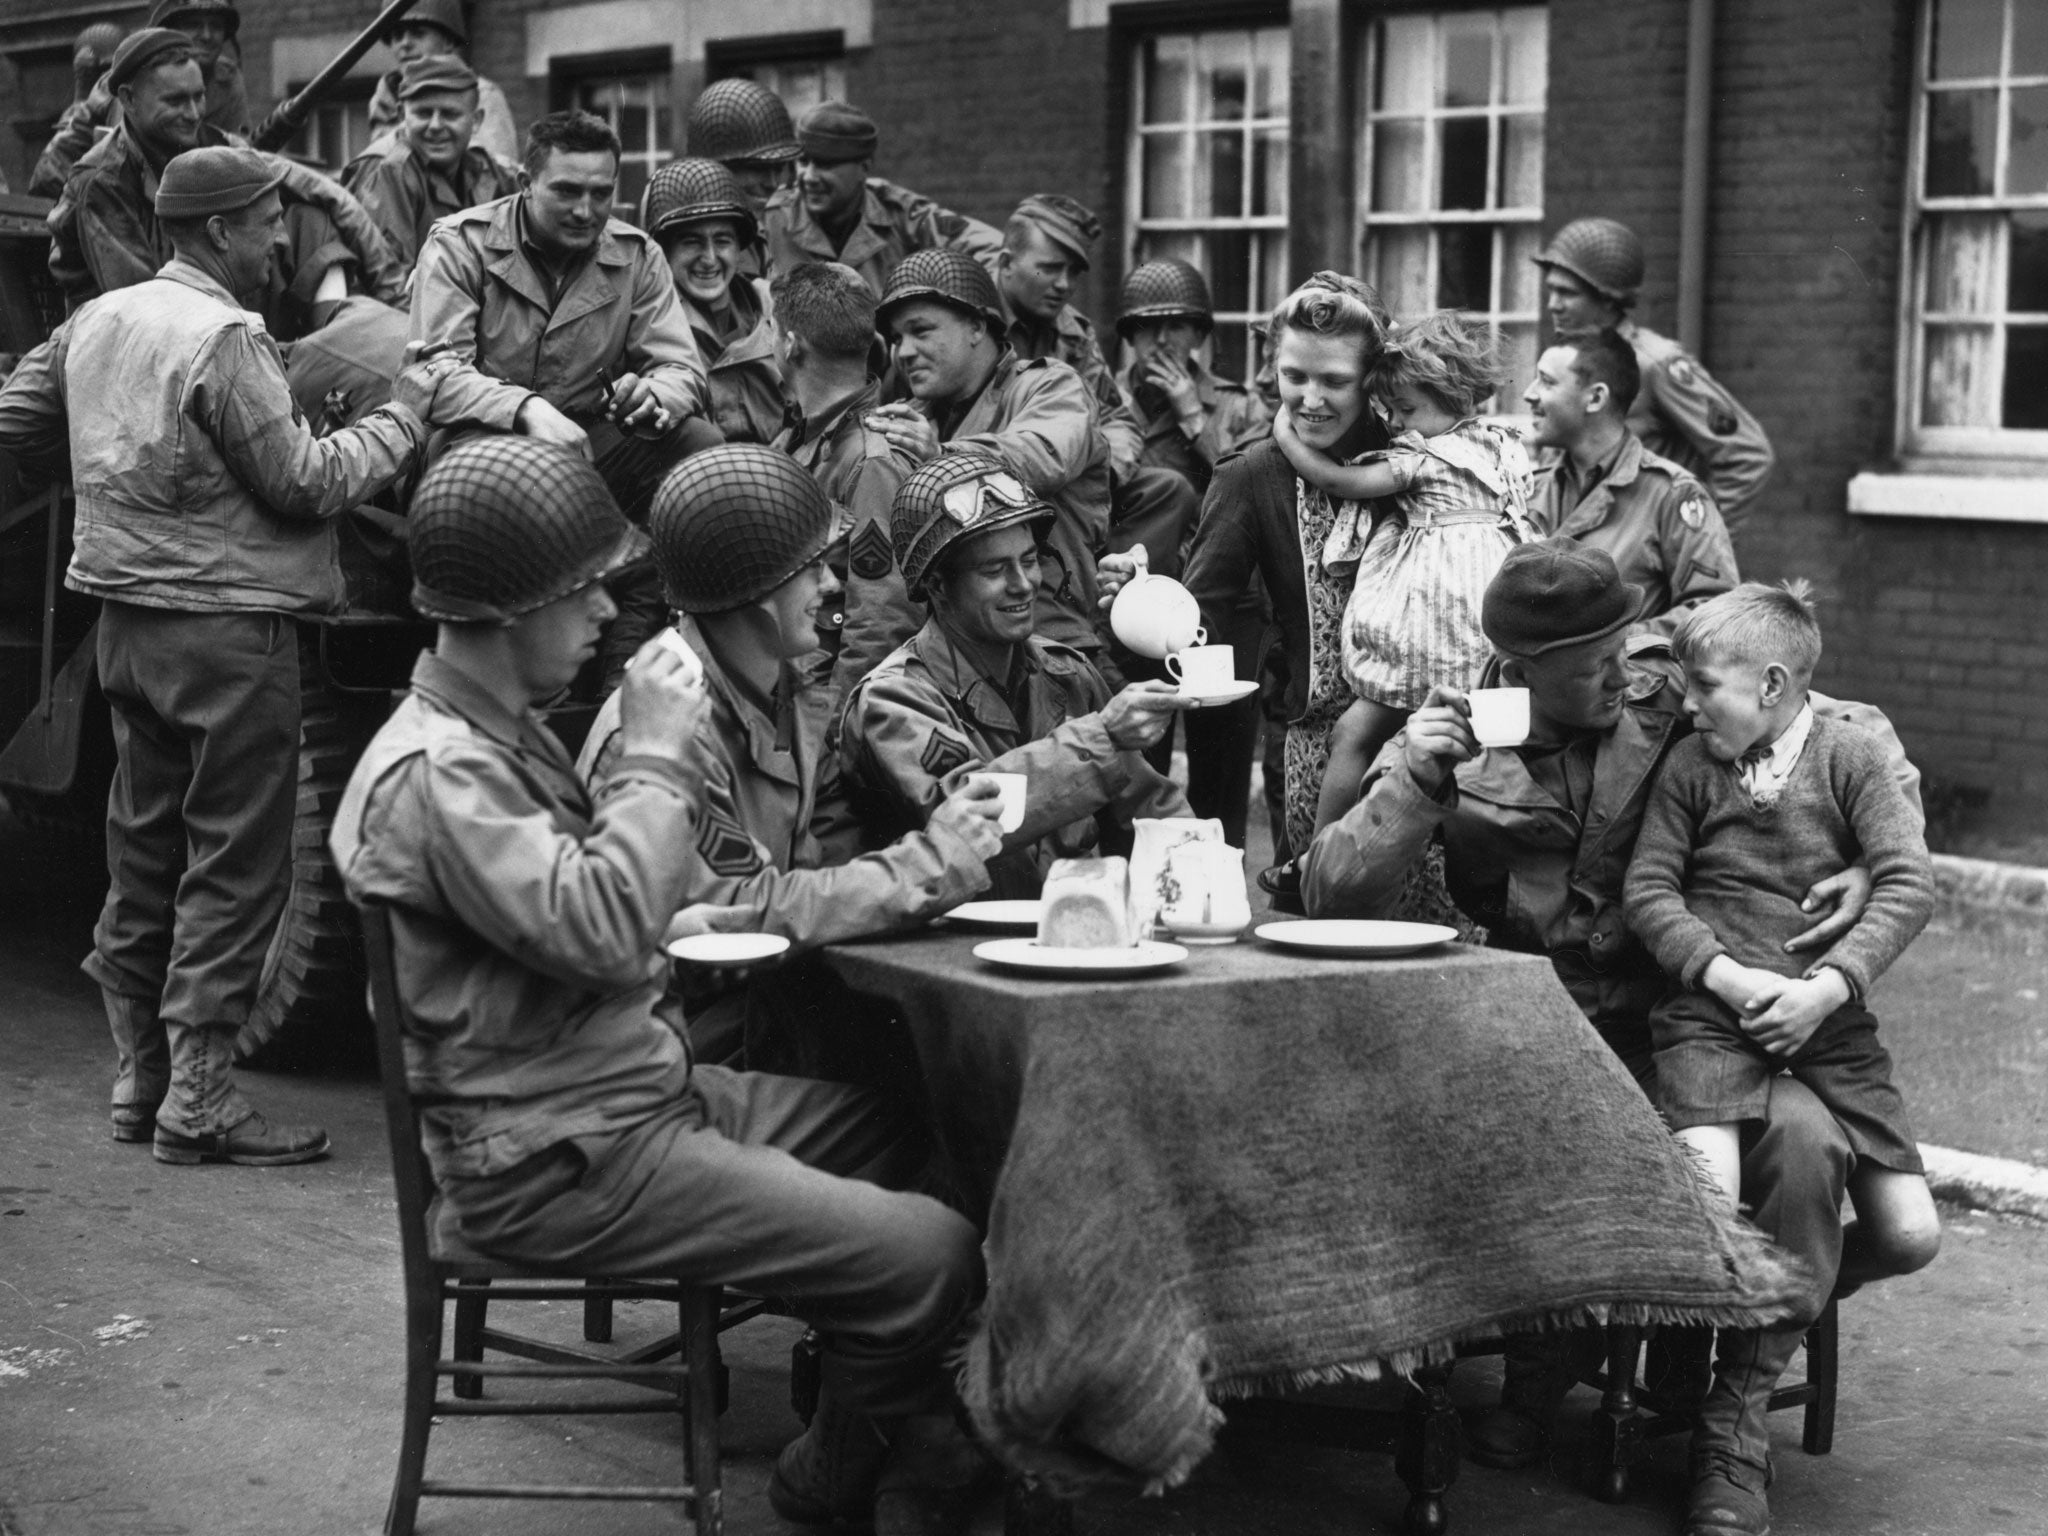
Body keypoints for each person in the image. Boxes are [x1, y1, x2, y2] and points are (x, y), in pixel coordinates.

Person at [328, 435, 1001, 1536]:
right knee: (932, 1252)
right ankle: (833, 1471)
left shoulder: (490, 741)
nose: (608, 615)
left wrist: (686, 909)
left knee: (929, 1127)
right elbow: (598, 929)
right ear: (511, 612)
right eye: (586, 591)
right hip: (563, 1154)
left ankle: (893, 1424)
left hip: (631, 1096)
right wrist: (653, 755)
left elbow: (611, 914)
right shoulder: (437, 774)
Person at [1300, 541, 1932, 1536]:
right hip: (1542, 1029)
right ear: (1518, 669)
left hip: (1693, 1018)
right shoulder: (1461, 731)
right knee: (1522, 1141)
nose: (1622, 671)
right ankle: (1557, 1349)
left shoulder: (1658, 692)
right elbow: (1326, 890)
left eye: (1621, 647)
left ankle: (1728, 1417)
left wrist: (1872, 859)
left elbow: (1831, 719)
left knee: (1806, 1148)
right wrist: (1415, 777)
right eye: (1590, 662)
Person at [0, 146, 447, 1165]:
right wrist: (403, 421)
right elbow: (301, 482)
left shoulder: (97, 320)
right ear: (214, 232)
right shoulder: (227, 337)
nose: (277, 240)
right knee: (238, 864)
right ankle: (197, 1099)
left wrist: (122, 478)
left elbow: (18, 421)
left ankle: (138, 1081)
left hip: (123, 625)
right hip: (231, 633)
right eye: (261, 223)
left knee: (143, 847)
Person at [576, 445, 1008, 1079]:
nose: (833, 586)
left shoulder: (794, 693)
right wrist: (934, 862)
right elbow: (742, 911)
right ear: (754, 591)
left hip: (781, 1010)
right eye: (810, 570)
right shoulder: (665, 728)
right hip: (688, 1047)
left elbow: (832, 855)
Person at [1624, 581, 1939, 1263]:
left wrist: (1824, 992)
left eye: (1705, 686)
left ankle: (1807, 1292)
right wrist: (1727, 980)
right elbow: (1648, 890)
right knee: (1710, 1212)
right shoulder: (1689, 766)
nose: (1687, 703)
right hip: (1708, 1022)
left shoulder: (1850, 757)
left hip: (1828, 1021)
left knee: (1910, 1238)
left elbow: (1910, 882)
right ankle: (1743, 1349)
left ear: (1771, 685)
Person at [410, 109, 716, 682]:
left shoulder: (637, 255)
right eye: (567, 191)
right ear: (526, 184)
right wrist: (525, 410)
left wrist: (652, 397)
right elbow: (436, 372)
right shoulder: (460, 245)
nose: (586, 210)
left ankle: (636, 636)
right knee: (478, 471)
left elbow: (681, 367)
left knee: (697, 446)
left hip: (591, 442)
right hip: (484, 445)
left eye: (601, 194)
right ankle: (508, 667)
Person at [1101, 273, 1394, 869]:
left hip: (1422, 741)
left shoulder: (1416, 460)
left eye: (1334, 381)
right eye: (1294, 377)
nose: (1311, 399)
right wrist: (1141, 597)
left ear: (1373, 378)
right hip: (1312, 749)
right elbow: (1197, 611)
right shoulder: (1251, 476)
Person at [839, 454, 1189, 898]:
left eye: (1029, 560)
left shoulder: (1067, 675)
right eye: (994, 570)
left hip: (1071, 932)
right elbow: (977, 818)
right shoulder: (894, 700)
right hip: (945, 946)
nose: (1024, 584)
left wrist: (1199, 868)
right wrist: (1101, 735)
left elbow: (1148, 809)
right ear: (937, 586)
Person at [1274, 310, 1531, 843]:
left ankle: (1319, 856)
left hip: (1427, 627)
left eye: (1406, 408)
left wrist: (1286, 433)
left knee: (1355, 733)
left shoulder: (1426, 458)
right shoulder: (1502, 446)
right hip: (1484, 632)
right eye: (1389, 409)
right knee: (1474, 749)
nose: (1394, 422)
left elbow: (1337, 480)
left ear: (1455, 396)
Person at [45, 29, 407, 338]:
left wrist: (392, 290)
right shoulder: (101, 181)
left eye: (198, 96)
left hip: (211, 310)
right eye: (175, 101)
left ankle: (336, 342)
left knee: (311, 220)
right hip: (128, 345)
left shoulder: (211, 143)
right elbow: (146, 307)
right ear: (128, 99)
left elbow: (324, 192)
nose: (192, 113)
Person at [866, 249, 1110, 659]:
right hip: (950, 653)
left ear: (977, 327)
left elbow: (1046, 455)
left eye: (921, 331)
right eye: (895, 339)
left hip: (1051, 645)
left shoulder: (1050, 386)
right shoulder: (915, 417)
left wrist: (942, 455)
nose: (903, 352)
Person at [991, 195, 1201, 597]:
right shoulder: (975, 318)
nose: (1065, 285)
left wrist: (1101, 474)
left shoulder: (1073, 332)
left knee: (1167, 490)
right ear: (1005, 265)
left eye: (1073, 272)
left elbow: (1116, 420)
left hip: (1069, 481)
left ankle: (1119, 616)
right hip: (1000, 477)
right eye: (1051, 269)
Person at [1535, 217, 1776, 534]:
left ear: (1607, 299)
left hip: (1639, 565)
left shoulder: (1655, 364)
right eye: (1550, 290)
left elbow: (1748, 454)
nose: (1553, 305)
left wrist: (1698, 540)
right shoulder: (1565, 362)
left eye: (1567, 293)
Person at [768, 260, 924, 697]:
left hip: (822, 702)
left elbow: (882, 625)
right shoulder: (795, 439)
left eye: (771, 328)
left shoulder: (873, 461)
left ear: (792, 344)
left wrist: (833, 737)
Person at [1524, 328, 1738, 630]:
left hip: (1628, 676)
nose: (1528, 393)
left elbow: (1714, 613)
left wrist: (1615, 647)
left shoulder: (1672, 494)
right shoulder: (1530, 489)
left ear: (1596, 397)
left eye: (1546, 381)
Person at [763, 100, 1002, 297]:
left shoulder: (899, 213)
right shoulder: (776, 216)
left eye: (826, 164)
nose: (809, 177)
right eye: (803, 162)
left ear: (864, 167)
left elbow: (991, 249)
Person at [31, 0, 246, 198]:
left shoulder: (227, 78)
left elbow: (235, 154)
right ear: (167, 31)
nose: (207, 36)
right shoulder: (131, 80)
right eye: (193, 24)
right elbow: (126, 169)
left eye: (216, 26)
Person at [641, 157, 788, 444]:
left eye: (722, 241)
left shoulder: (773, 305)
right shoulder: (649, 322)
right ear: (664, 251)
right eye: (691, 242)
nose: (709, 259)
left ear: (738, 248)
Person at [342, 55, 517, 287]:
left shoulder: (485, 168)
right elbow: (388, 283)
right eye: (423, 114)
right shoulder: (388, 169)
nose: (435, 126)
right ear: (402, 116)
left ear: (475, 121)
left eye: (450, 114)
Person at [1115, 257, 1273, 498]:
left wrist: (1194, 418)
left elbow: (1256, 493)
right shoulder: (1102, 398)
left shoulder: (1243, 408)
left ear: (1198, 337)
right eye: (1148, 325)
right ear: (1129, 337)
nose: (1161, 340)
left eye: (1176, 326)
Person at [362, 0, 520, 169]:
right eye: (398, 36)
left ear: (448, 41)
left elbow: (497, 173)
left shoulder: (483, 94)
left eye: (418, 33)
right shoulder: (385, 100)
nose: (405, 44)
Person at [684, 76, 801, 274]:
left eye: (779, 167)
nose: (773, 183)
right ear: (716, 167)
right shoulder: (686, 239)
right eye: (758, 168)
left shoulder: (749, 226)